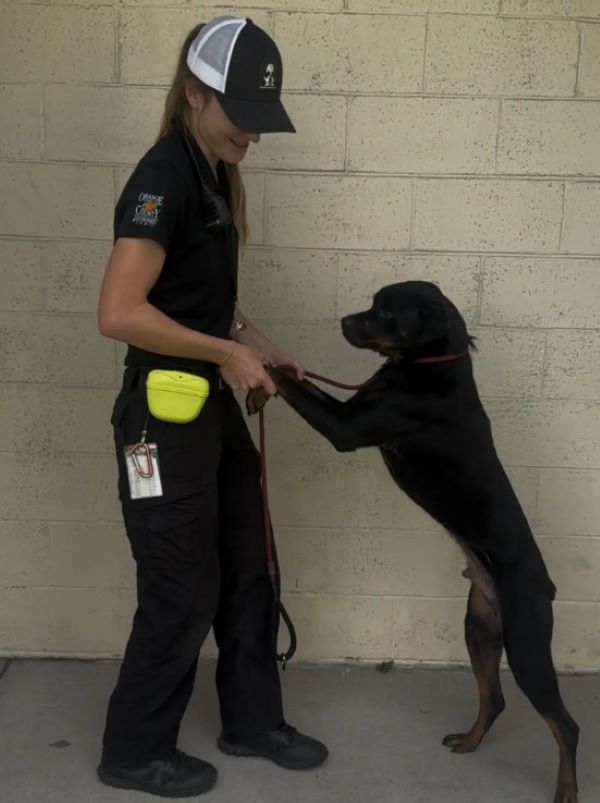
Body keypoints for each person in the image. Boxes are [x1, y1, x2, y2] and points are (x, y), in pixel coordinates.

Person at [96, 16, 328, 798]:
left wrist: (259, 344)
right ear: (194, 92)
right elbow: (120, 312)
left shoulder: (215, 173)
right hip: (161, 422)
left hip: (207, 410)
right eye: (243, 117)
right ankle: (133, 749)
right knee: (180, 584)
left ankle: (252, 719)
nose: (254, 137)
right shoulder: (162, 178)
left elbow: (206, 303)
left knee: (248, 563)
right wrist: (230, 357)